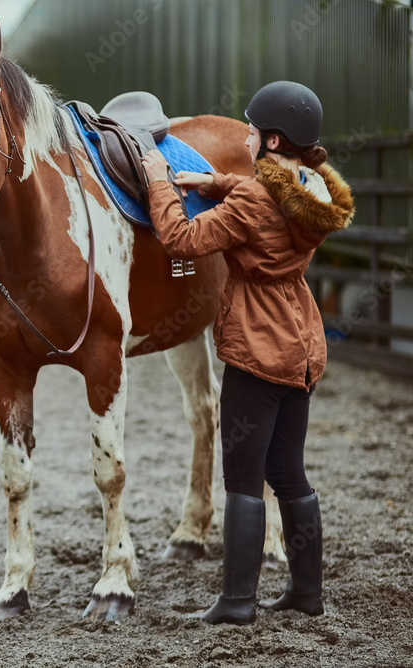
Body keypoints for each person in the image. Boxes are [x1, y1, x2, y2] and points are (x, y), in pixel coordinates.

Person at [141, 81, 355, 625]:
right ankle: (308, 592)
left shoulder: (254, 203)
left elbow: (181, 239)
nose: (248, 141)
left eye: (254, 133)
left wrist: (159, 181)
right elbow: (267, 194)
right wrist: (215, 180)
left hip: (257, 348)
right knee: (290, 474)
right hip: (301, 345)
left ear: (273, 139)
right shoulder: (314, 192)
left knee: (242, 479)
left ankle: (237, 601)